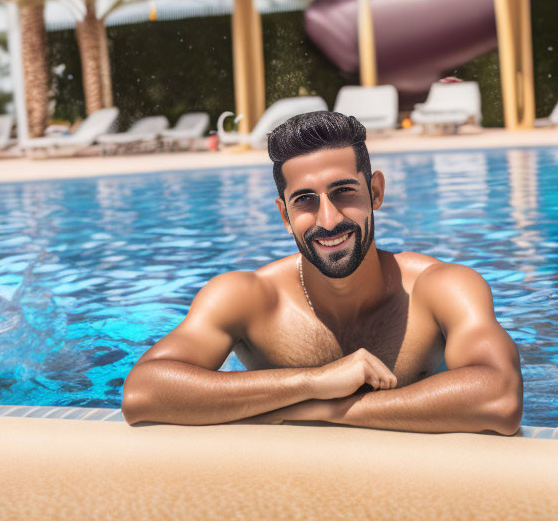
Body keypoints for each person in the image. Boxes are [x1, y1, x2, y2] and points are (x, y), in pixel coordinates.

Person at [121, 111, 523, 434]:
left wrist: (324, 410)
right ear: (284, 214)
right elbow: (143, 392)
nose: (328, 220)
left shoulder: (440, 287)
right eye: (305, 201)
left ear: (376, 192)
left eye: (344, 191)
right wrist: (310, 382)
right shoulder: (247, 296)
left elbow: (500, 397)